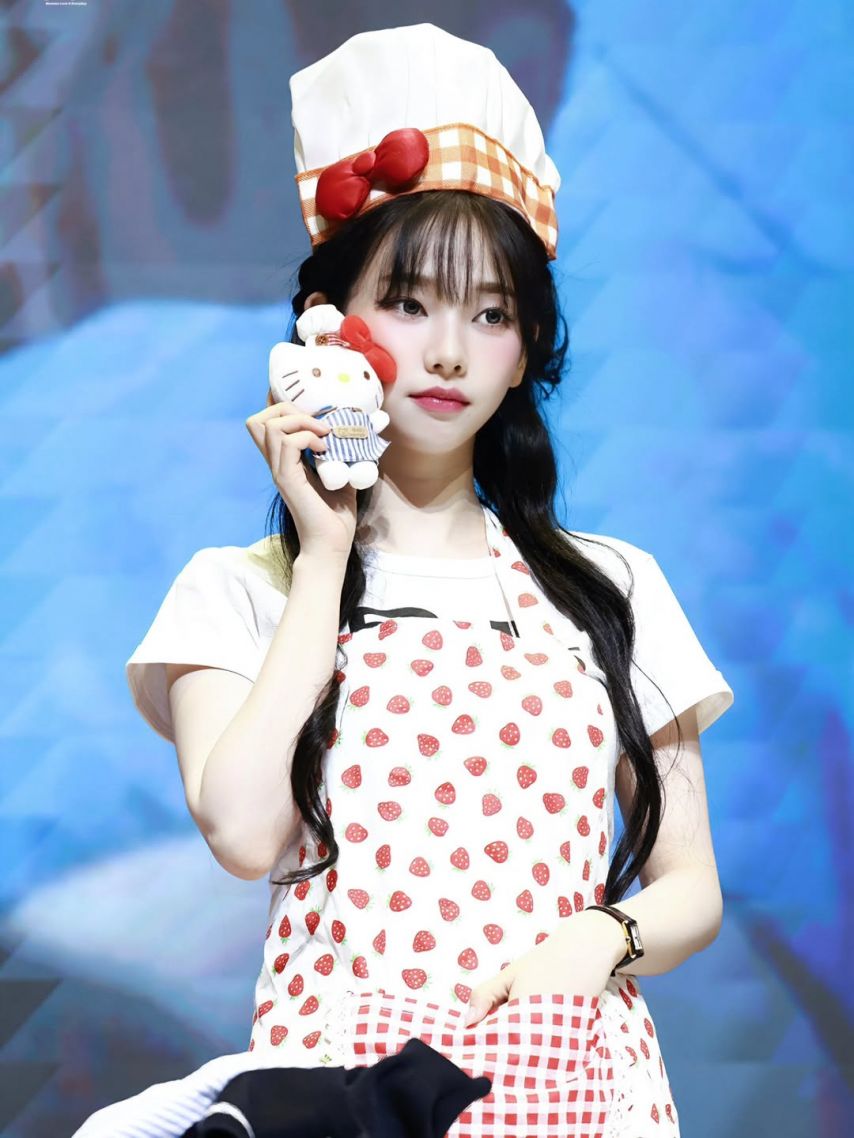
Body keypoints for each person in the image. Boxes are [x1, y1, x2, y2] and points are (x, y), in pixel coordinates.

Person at [125, 23, 734, 1138]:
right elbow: (245, 836)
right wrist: (323, 554)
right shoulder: (238, 591)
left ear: (525, 343)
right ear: (327, 323)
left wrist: (597, 939)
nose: (451, 350)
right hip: (338, 1089)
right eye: (409, 301)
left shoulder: (612, 587)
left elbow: (690, 886)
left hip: (572, 1078)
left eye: (490, 312)